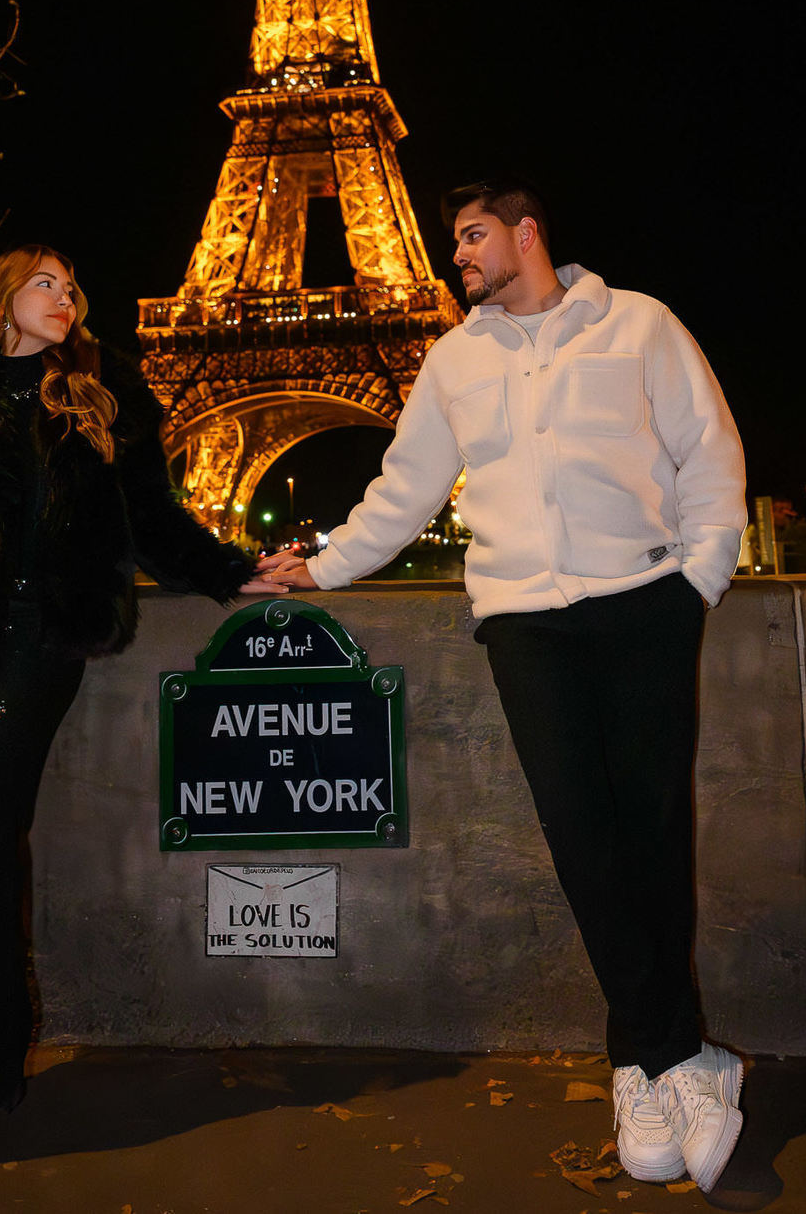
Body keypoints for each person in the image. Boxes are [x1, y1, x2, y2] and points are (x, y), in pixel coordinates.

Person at [255, 178, 748, 1194]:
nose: (458, 256)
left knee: (652, 829)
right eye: (454, 240)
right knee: (581, 836)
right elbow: (405, 486)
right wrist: (326, 565)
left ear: (527, 234)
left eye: (473, 235)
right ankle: (680, 1057)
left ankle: (645, 1062)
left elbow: (709, 449)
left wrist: (695, 580)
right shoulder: (453, 358)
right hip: (525, 622)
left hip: (643, 604)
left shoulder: (639, 324)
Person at [0, 245, 254, 1184]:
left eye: (72, 287)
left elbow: (151, 517)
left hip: (35, 639)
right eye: (45, 283)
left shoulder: (103, 391)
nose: (65, 297)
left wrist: (233, 573)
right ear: (2, 298)